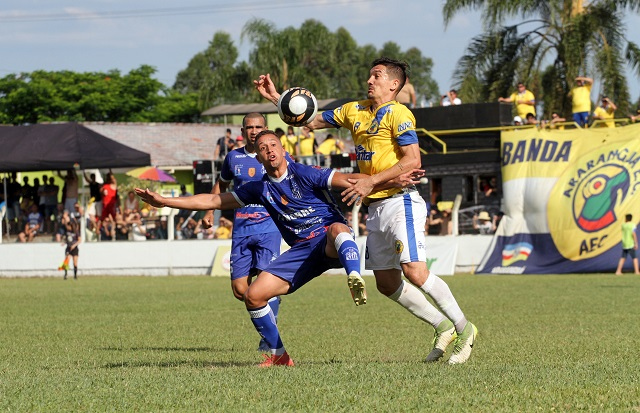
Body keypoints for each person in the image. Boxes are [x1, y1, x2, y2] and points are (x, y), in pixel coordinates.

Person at [254, 56, 478, 364]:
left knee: (414, 271)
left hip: (401, 201)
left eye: (377, 76)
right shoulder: (353, 110)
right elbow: (309, 121)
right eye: (369, 76)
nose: (369, 80)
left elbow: (413, 160)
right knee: (386, 283)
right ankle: (442, 327)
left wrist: (370, 180)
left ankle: (465, 329)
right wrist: (279, 99)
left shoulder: (399, 114)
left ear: (394, 84)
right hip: (375, 207)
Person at [137, 129, 391, 367]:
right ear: (257, 157)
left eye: (273, 145)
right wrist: (165, 201)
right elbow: (213, 199)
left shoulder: (304, 173)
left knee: (338, 229)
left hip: (328, 241)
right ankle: (279, 356)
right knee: (253, 296)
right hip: (302, 251)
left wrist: (389, 178)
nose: (269, 150)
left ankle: (354, 276)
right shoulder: (259, 188)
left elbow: (351, 179)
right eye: (262, 148)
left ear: (283, 150)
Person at [202, 112, 293, 352]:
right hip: (241, 229)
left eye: (258, 126)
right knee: (240, 290)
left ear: (266, 128)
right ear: (242, 131)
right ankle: (271, 306)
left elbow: (295, 182)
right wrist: (211, 210)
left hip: (269, 228)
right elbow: (221, 185)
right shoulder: (233, 158)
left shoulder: (278, 155)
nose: (253, 131)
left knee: (264, 286)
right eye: (249, 127)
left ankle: (269, 342)